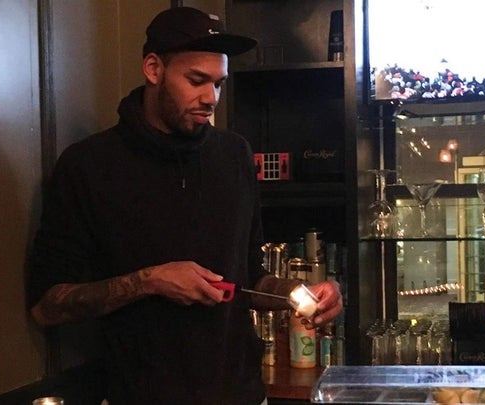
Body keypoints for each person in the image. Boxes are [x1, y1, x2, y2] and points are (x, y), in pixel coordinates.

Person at [27, 6, 344, 405]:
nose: (210, 98)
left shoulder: (234, 156)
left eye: (219, 84)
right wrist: (151, 280)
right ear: (153, 68)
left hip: (243, 395)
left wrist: (301, 293)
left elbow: (248, 278)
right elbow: (47, 306)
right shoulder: (89, 165)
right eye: (196, 81)